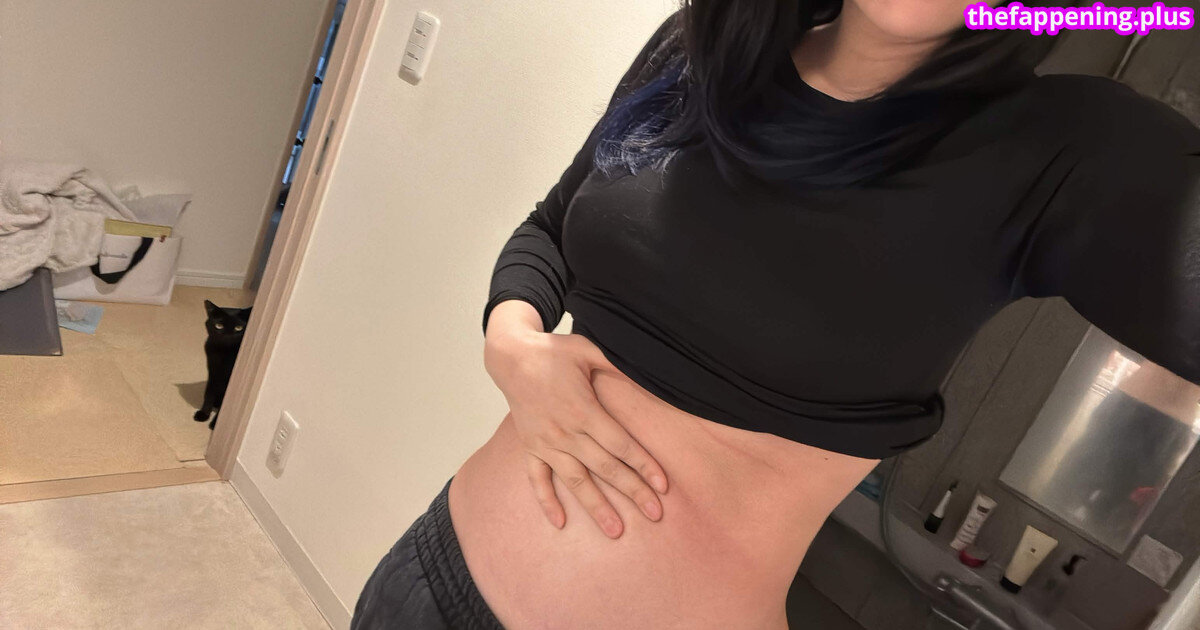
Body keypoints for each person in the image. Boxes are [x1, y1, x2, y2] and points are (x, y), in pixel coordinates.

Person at [352, 1, 1200, 628]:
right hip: (426, 584)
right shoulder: (697, 49)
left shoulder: (1068, 153)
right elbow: (549, 230)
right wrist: (512, 345)